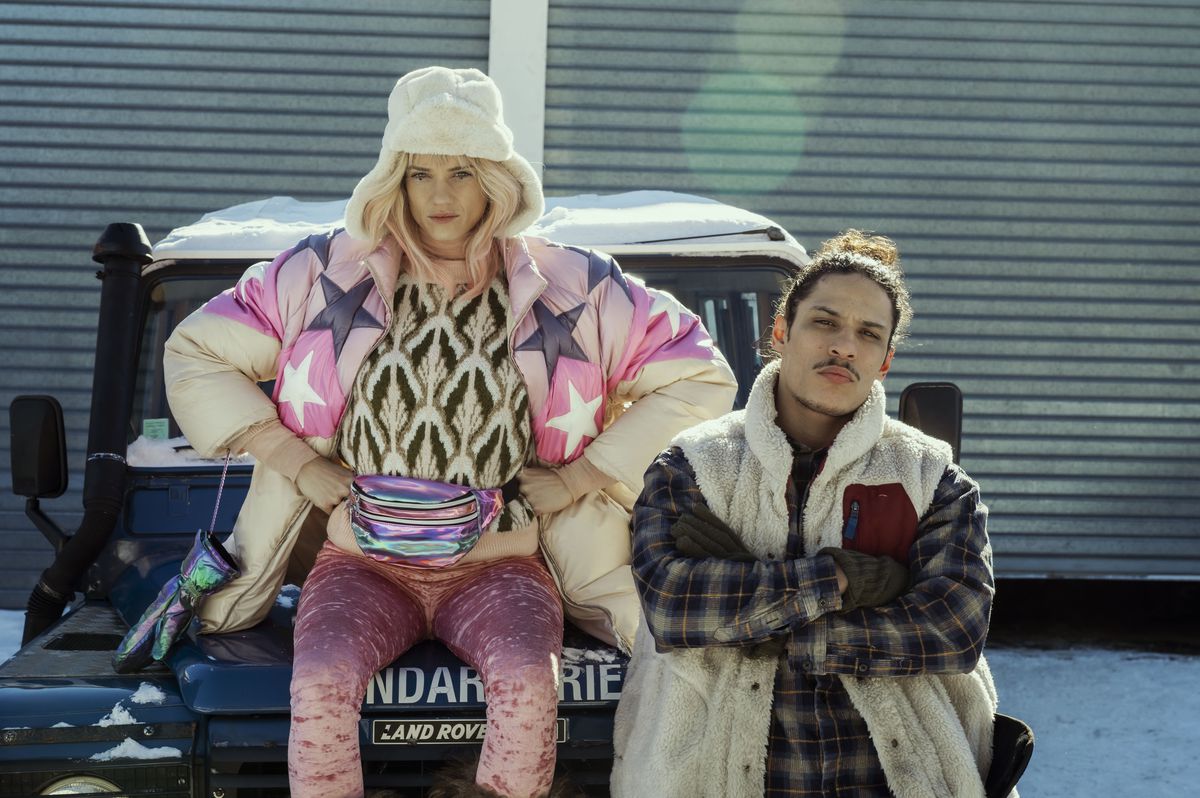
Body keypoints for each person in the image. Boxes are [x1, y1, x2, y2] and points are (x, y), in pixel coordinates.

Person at [113, 66, 736, 798]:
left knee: (530, 686)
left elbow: (700, 375)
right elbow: (197, 350)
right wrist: (291, 459)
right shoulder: (319, 273)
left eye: (463, 172)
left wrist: (580, 477)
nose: (441, 196)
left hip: (502, 564)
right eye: (421, 173)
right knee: (315, 686)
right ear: (393, 181)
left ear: (496, 179)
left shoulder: (577, 286)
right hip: (360, 564)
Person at [612, 231, 1007, 797]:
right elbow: (674, 609)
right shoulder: (692, 465)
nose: (845, 345)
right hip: (713, 778)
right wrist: (845, 578)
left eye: (868, 334)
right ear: (780, 332)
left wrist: (771, 628)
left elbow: (954, 629)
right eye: (825, 322)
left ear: (885, 359)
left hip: (897, 779)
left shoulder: (930, 476)